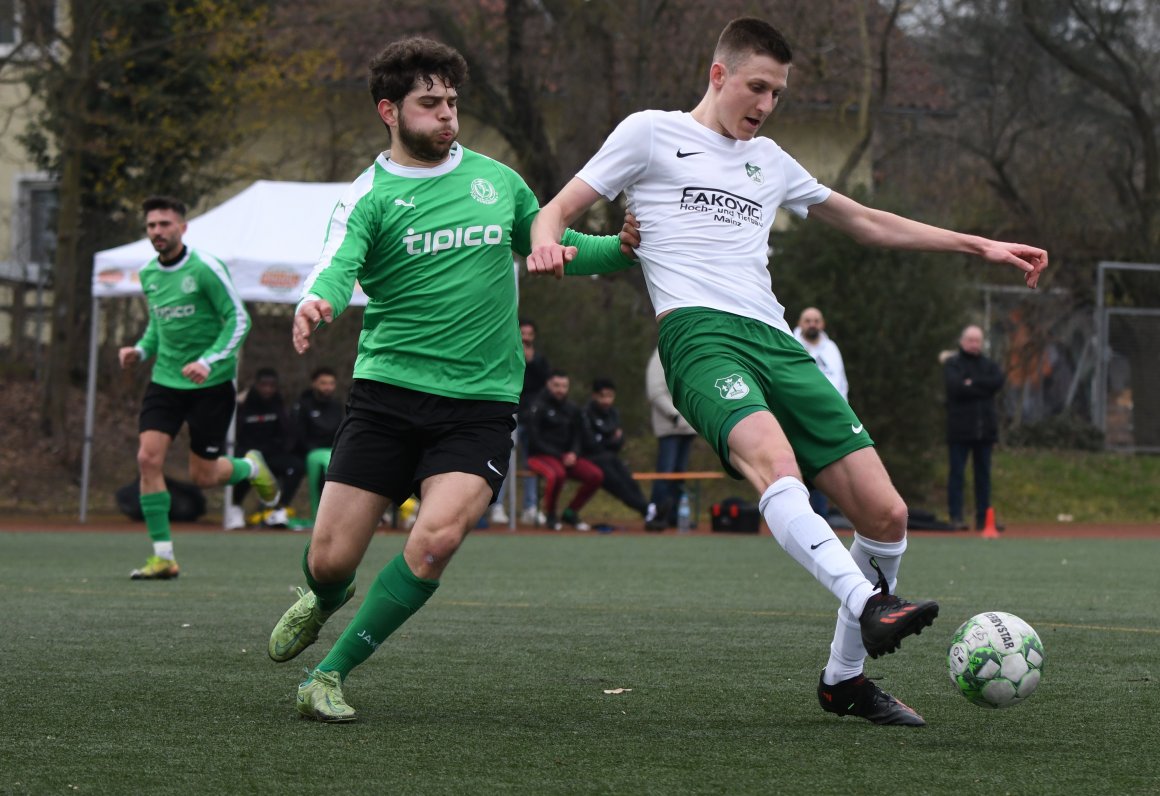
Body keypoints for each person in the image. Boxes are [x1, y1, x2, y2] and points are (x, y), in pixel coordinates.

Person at [527, 17, 1047, 726]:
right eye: (757, 87)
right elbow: (557, 210)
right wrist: (547, 243)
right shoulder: (650, 132)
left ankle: (845, 681)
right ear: (719, 75)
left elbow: (864, 220)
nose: (766, 105)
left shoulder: (768, 160)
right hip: (698, 335)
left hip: (777, 343)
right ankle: (868, 603)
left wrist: (977, 245)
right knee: (776, 467)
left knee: (887, 515)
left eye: (777, 93)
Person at [266, 36, 636, 723]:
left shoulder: (499, 183)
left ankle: (329, 674)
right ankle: (322, 597)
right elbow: (336, 263)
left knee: (434, 541)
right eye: (429, 104)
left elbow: (553, 247)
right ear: (389, 111)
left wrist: (619, 248)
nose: (446, 116)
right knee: (329, 560)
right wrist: (317, 301)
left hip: (479, 408)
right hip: (385, 399)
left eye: (452, 103)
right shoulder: (368, 197)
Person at [118, 195, 280, 578]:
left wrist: (208, 361)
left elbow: (238, 320)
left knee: (203, 477)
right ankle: (163, 557)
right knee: (147, 459)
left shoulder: (206, 267)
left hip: (212, 383)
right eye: (151, 226)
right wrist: (140, 351)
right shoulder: (148, 274)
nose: (157, 231)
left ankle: (250, 466)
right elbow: (159, 326)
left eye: (164, 224)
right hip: (166, 382)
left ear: (182, 228)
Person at [526, 370, 604, 531]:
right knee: (557, 475)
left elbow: (578, 434)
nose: (560, 390)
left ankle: (570, 512)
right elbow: (535, 440)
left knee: (595, 475)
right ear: (548, 385)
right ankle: (551, 516)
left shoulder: (572, 408)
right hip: (540, 456)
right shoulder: (537, 406)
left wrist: (574, 453)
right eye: (556, 385)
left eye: (564, 386)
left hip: (566, 457)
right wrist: (560, 455)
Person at [944, 325, 1004, 531]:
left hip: (985, 431)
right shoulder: (953, 364)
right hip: (959, 430)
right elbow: (956, 388)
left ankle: (983, 518)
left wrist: (972, 383)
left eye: (977, 340)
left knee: (983, 477)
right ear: (962, 341)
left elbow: (997, 382)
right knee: (957, 474)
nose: (974, 344)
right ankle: (956, 517)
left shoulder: (989, 365)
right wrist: (980, 387)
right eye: (970, 340)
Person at [230, 367, 305, 528]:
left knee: (296, 466)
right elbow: (234, 432)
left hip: (271, 454)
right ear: (256, 385)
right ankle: (235, 507)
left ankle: (279, 509)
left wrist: (283, 447)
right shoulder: (243, 404)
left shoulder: (278, 404)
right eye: (264, 385)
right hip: (248, 453)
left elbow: (287, 432)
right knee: (245, 467)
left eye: (271, 386)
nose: (267, 389)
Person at [792, 306, 848, 522]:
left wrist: (842, 413)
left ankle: (822, 517)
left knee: (825, 466)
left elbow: (841, 382)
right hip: (798, 416)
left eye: (816, 320)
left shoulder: (831, 348)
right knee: (799, 467)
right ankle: (798, 517)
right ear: (800, 323)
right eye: (808, 320)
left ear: (822, 323)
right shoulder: (790, 342)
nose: (812, 324)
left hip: (828, 418)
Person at [581, 377, 658, 525]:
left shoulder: (613, 413)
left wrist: (606, 439)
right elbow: (591, 444)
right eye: (602, 396)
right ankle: (648, 510)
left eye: (610, 396)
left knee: (629, 481)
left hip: (610, 457)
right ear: (594, 396)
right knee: (618, 484)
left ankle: (649, 511)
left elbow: (620, 441)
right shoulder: (585, 413)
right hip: (592, 459)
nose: (606, 400)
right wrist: (611, 438)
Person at [645, 347, 697, 531]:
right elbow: (655, 391)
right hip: (669, 427)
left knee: (680, 474)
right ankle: (657, 515)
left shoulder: (686, 351)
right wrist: (674, 415)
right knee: (665, 473)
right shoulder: (661, 353)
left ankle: (675, 516)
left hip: (688, 428)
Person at [292, 366, 344, 522]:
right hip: (310, 454)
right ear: (314, 383)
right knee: (322, 470)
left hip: (334, 453)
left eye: (331, 383)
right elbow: (299, 435)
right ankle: (320, 517)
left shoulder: (337, 406)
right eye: (323, 383)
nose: (328, 387)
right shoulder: (302, 405)